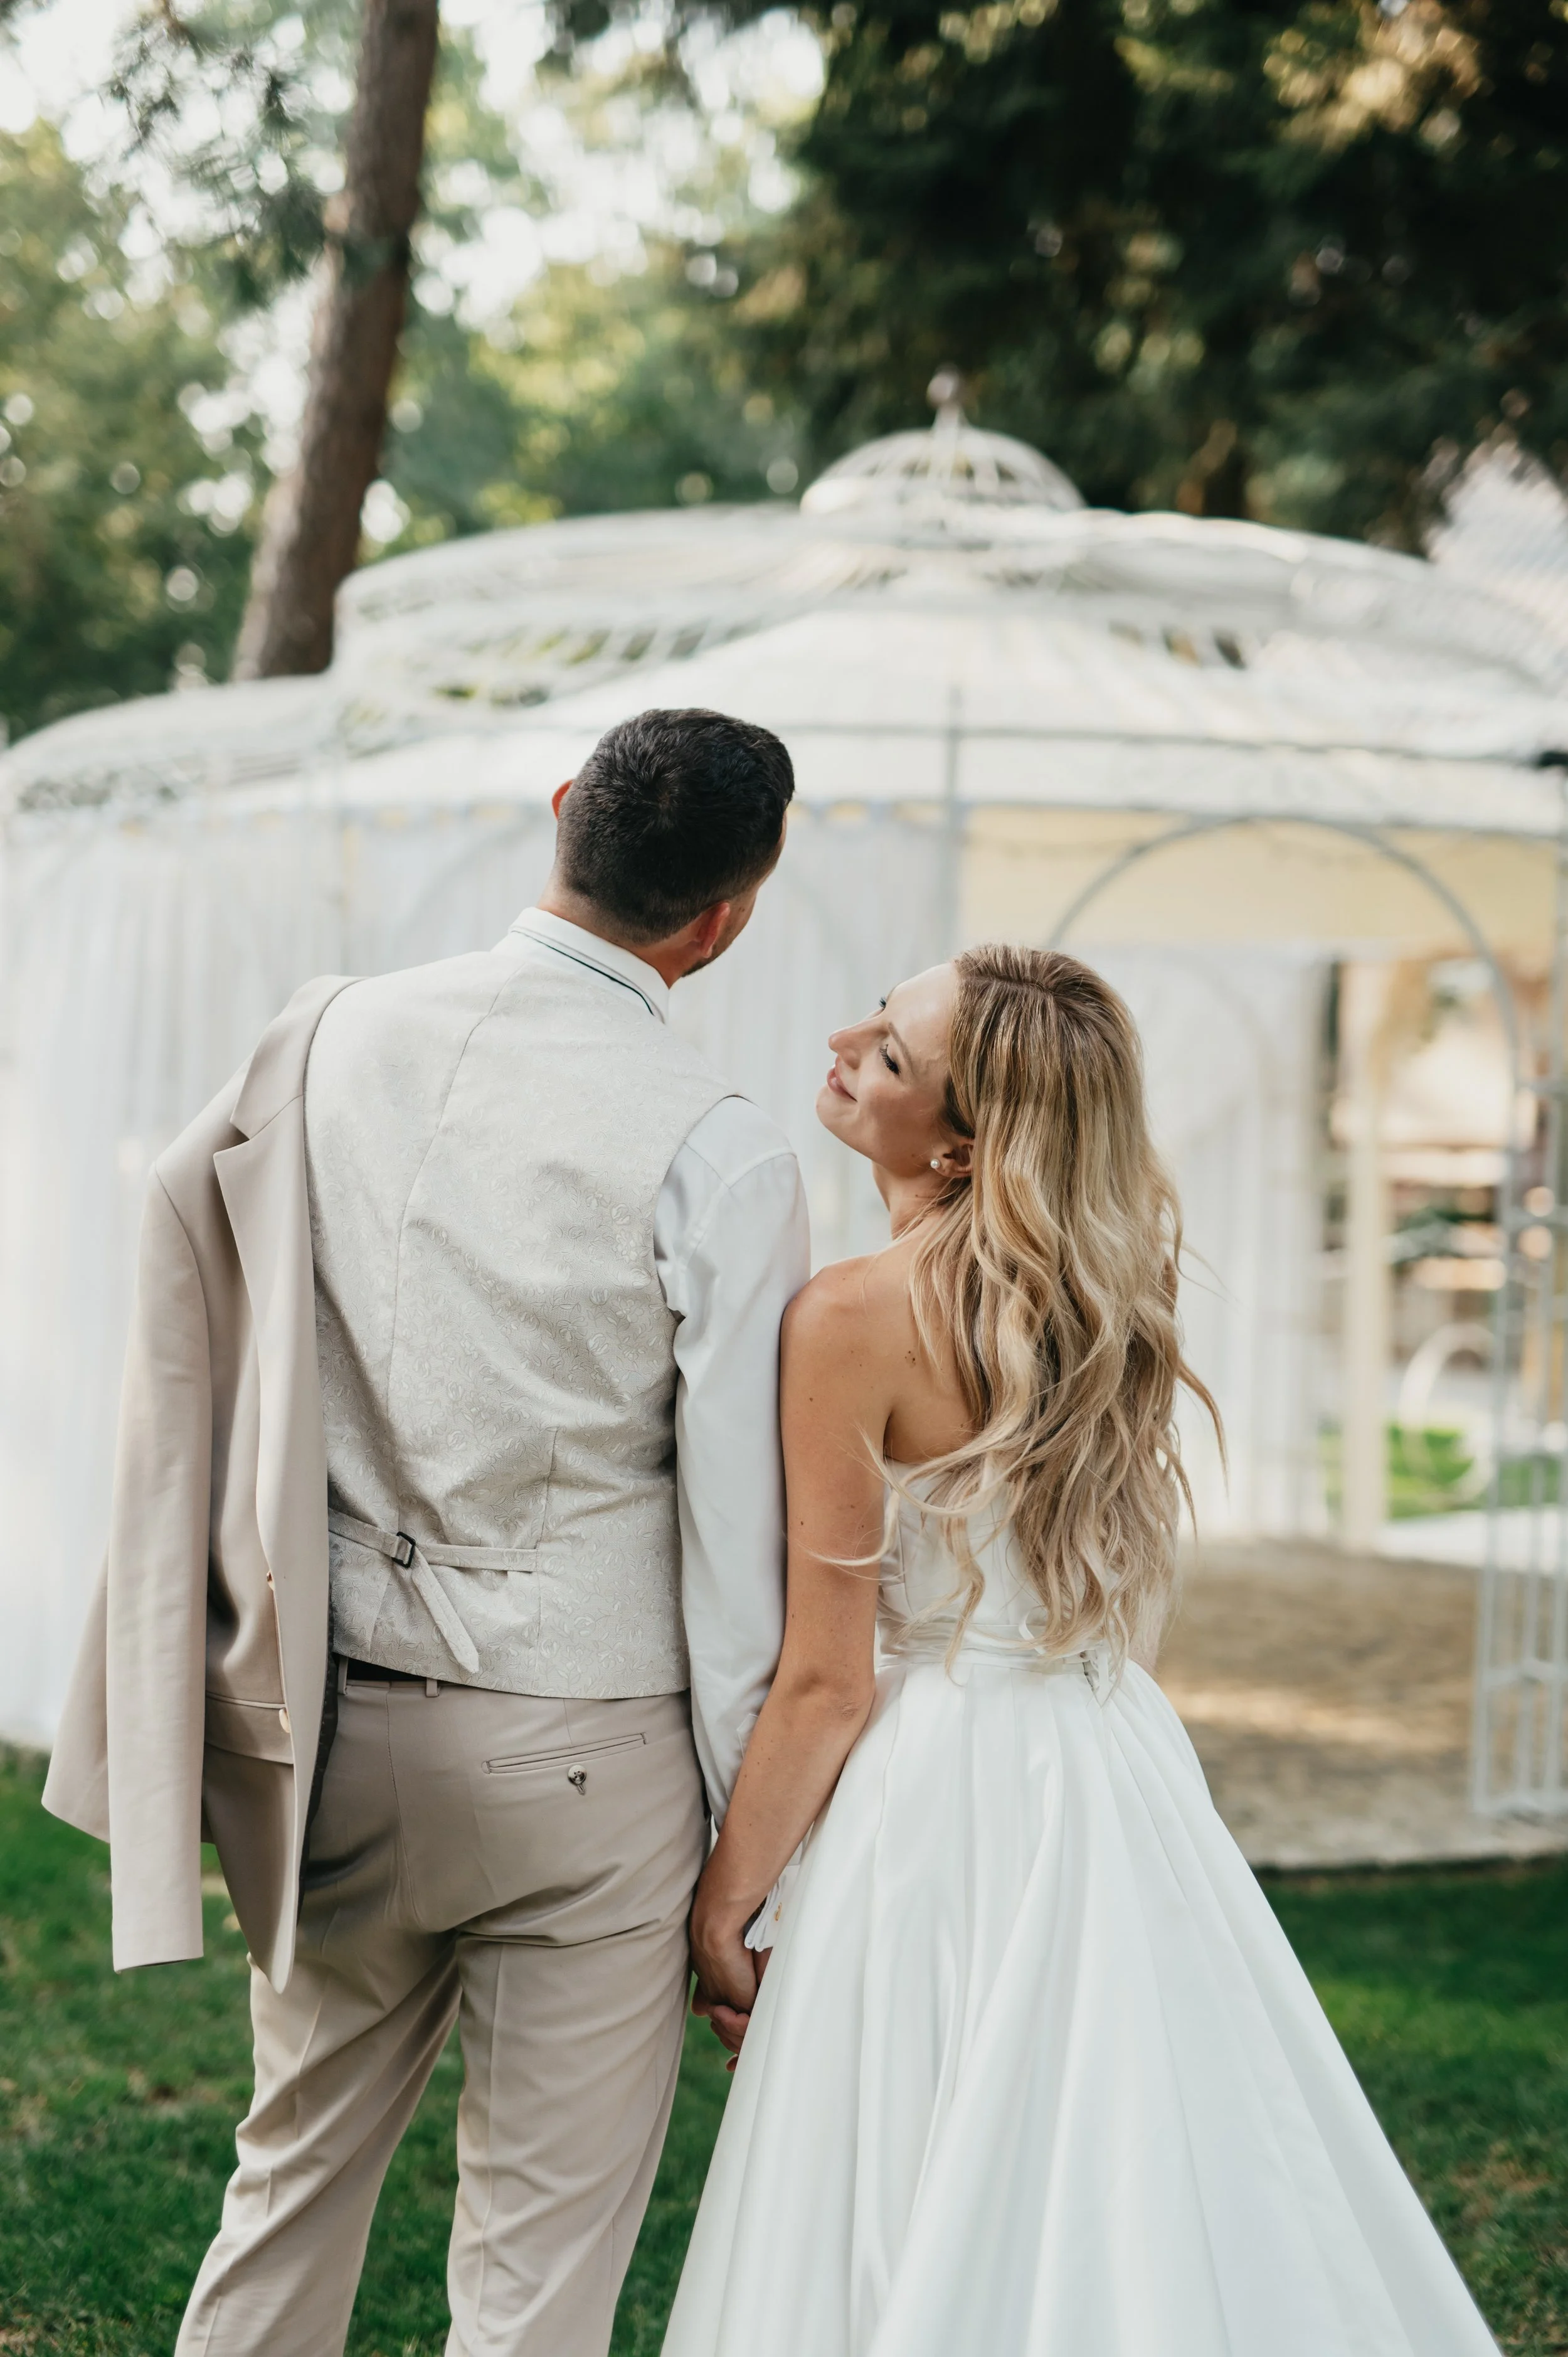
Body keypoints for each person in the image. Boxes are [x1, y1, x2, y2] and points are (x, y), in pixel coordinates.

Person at [43, 706, 809, 2357]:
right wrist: (751, 1863)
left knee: (289, 2183)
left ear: (558, 817)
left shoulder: (318, 1038)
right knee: (535, 2270)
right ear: (726, 913)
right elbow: (737, 1541)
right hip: (589, 1758)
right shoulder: (723, 1151)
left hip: (330, 1720)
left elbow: (207, 1311)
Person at [665, 945, 1501, 2357]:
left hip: (934, 1796)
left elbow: (826, 1680)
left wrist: (720, 1905)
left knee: (913, 2155)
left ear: (958, 1138)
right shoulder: (1101, 1296)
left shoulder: (851, 1319)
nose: (840, 1036)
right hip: (1106, 1752)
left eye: (883, 1050)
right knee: (1137, 2141)